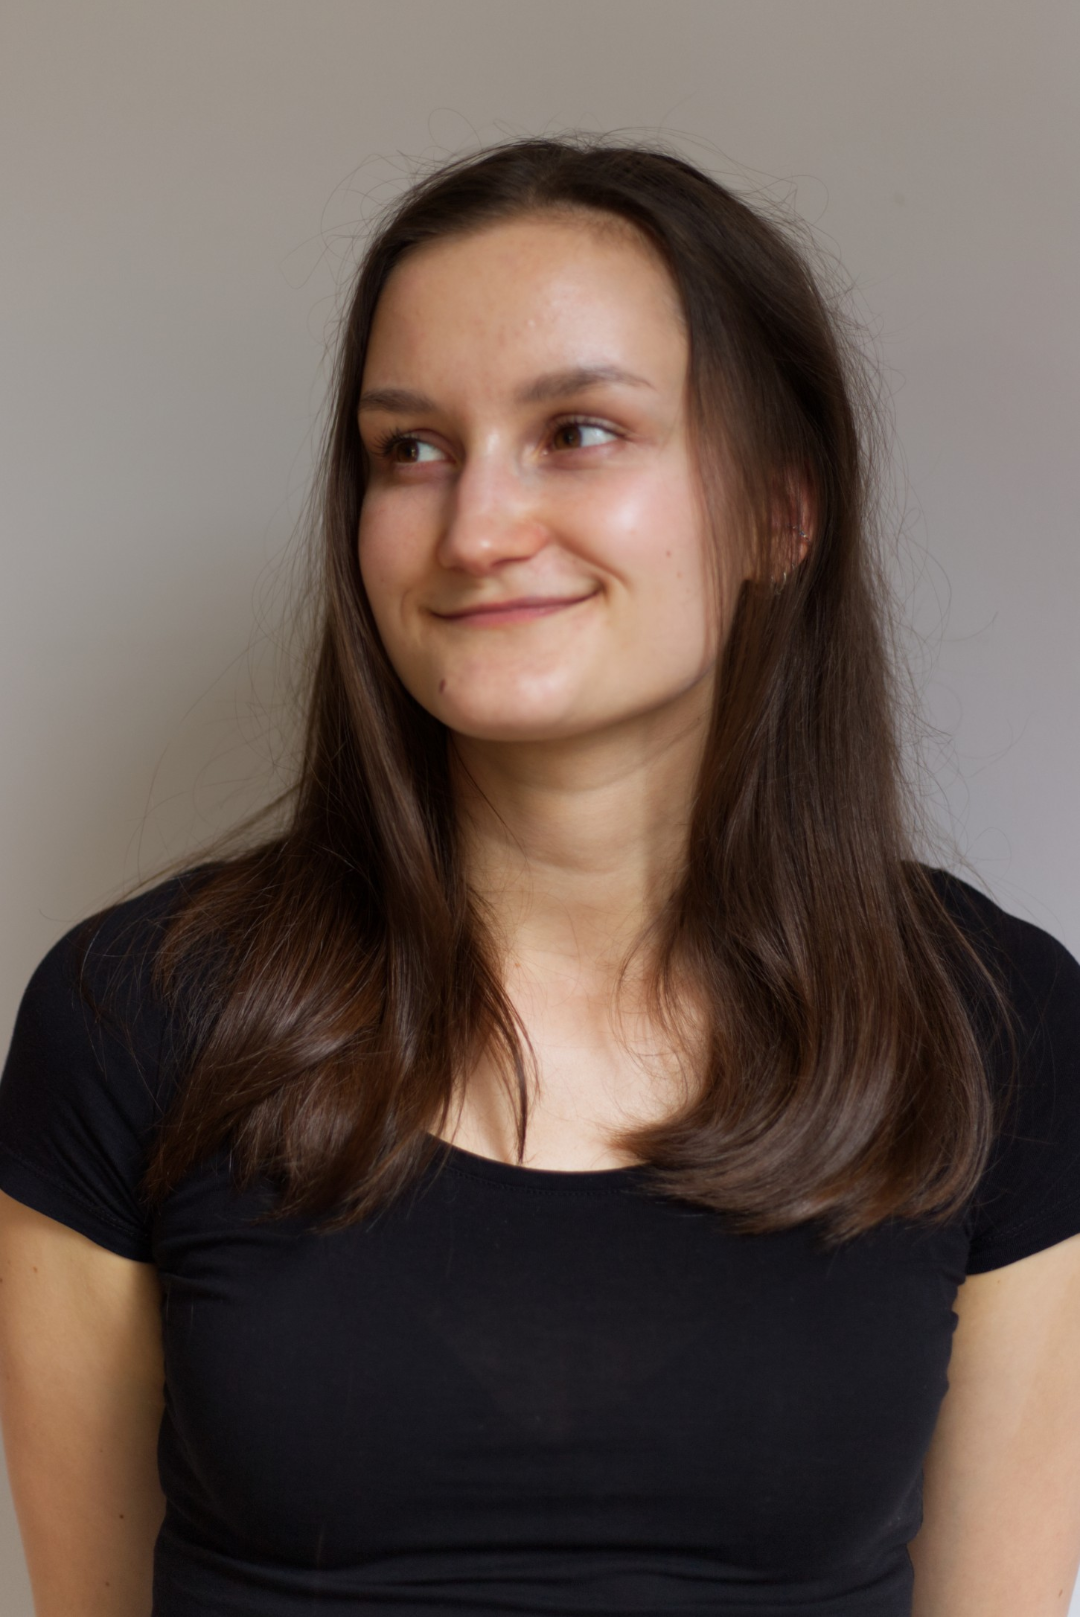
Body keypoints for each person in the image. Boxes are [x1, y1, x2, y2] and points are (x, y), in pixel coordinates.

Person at [0, 135, 1078, 1617]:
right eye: (411, 450)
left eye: (577, 431)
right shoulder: (132, 1014)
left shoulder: (996, 1028)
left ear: (783, 510)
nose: (476, 529)